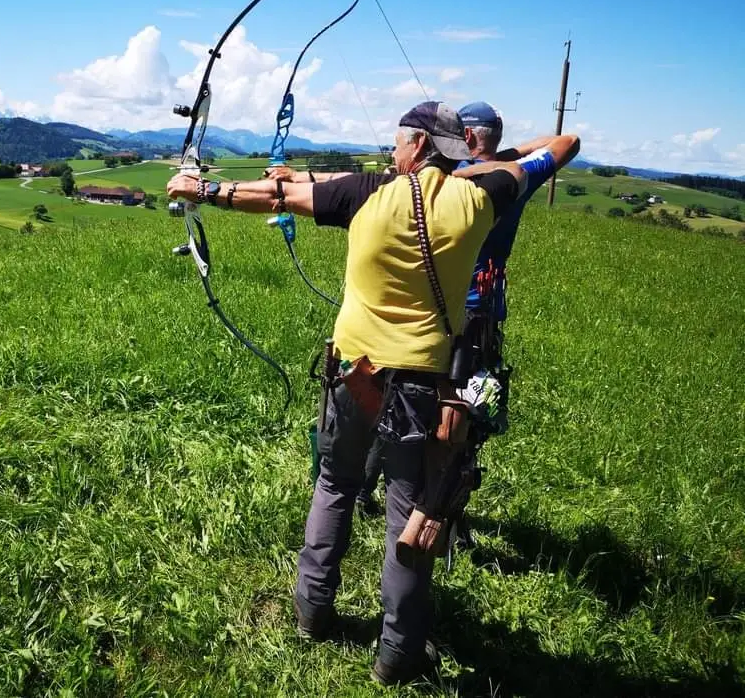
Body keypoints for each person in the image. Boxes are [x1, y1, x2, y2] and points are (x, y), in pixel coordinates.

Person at [169, 101, 579, 685]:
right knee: (407, 514)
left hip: (353, 375)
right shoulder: (483, 197)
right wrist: (476, 163)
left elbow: (274, 196)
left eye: (397, 142)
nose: (391, 152)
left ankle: (312, 610)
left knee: (336, 484)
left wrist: (201, 188)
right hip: (422, 389)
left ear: (416, 145)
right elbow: (550, 152)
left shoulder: (366, 193)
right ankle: (398, 654)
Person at [267, 104, 575, 518]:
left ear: (462, 138)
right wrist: (506, 156)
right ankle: (428, 504)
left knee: (394, 395)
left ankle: (393, 492)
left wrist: (481, 161)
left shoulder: (449, 176)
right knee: (450, 411)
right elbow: (565, 143)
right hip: (470, 319)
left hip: (435, 314)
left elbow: (361, 185)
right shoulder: (511, 179)